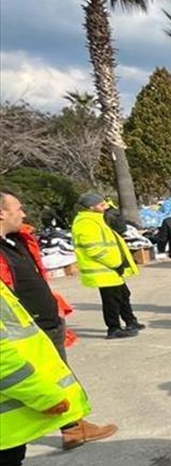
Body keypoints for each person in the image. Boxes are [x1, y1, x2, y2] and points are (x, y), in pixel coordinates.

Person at [0, 190, 117, 451]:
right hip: (28, 329)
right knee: (45, 379)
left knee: (60, 374)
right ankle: (72, 427)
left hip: (46, 319)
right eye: (18, 208)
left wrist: (53, 303)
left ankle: (73, 426)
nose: (23, 213)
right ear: (1, 213)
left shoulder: (15, 241)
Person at [0, 275, 93, 466]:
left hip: (12, 398)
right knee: (2, 464)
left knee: (10, 458)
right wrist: (42, 395)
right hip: (14, 390)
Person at [72, 193, 142, 339]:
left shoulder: (97, 219)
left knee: (123, 295)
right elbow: (93, 248)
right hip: (104, 269)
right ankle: (113, 328)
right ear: (91, 207)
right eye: (102, 205)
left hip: (110, 269)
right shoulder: (86, 222)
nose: (106, 207)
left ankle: (130, 321)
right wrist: (115, 262)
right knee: (111, 300)